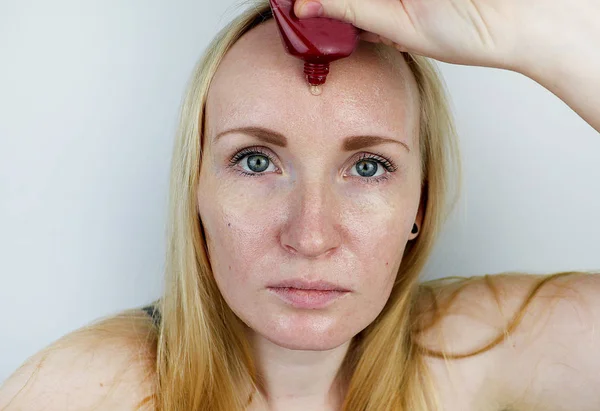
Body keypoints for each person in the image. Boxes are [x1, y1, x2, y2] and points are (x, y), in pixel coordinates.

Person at [1, 0, 599, 410]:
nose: (311, 235)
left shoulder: (482, 349)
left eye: (368, 167)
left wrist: (530, 38)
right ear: (197, 193)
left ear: (420, 202)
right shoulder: (84, 391)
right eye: (256, 161)